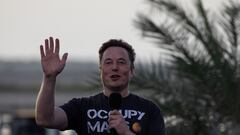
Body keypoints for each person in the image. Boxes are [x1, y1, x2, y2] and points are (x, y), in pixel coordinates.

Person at [35, 37, 165, 135]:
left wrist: (126, 133)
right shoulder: (82, 107)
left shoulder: (150, 110)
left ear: (131, 71)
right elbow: (44, 119)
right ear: (101, 70)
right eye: (108, 62)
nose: (115, 67)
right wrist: (49, 78)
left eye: (121, 62)